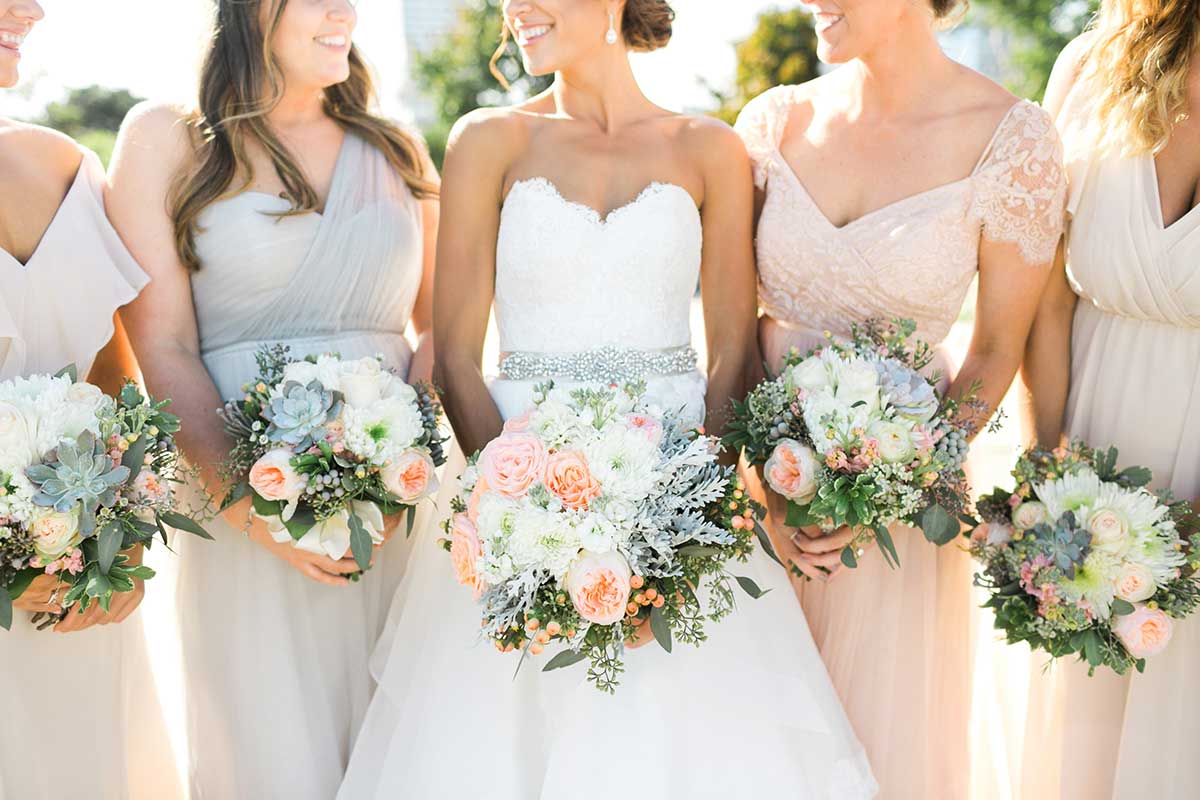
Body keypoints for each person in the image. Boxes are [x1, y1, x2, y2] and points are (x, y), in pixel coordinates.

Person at [339, 1, 876, 797]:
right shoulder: (490, 141)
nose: (516, 7)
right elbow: (454, 355)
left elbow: (729, 361)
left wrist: (682, 523)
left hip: (681, 499)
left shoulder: (711, 150)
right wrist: (528, 522)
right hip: (512, 504)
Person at [734, 0, 1068, 794]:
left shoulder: (1012, 139)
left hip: (897, 516)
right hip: (759, 503)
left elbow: (995, 349)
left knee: (880, 753)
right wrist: (767, 486)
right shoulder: (773, 123)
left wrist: (883, 487)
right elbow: (734, 324)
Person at [106, 0, 438, 795]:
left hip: (401, 510)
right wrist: (250, 507)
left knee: (416, 752)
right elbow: (162, 345)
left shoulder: (395, 147)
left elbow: (441, 332)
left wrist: (398, 473)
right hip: (242, 505)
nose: (346, 13)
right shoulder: (166, 139)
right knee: (266, 753)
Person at [0, 1, 182, 796]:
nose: (33, 8)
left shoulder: (66, 169)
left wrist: (129, 542)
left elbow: (117, 379)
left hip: (79, 612)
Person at [1021, 2, 1200, 796]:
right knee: (1089, 734)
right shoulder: (1089, 69)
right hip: (1100, 432)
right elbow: (1050, 292)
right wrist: (1049, 461)